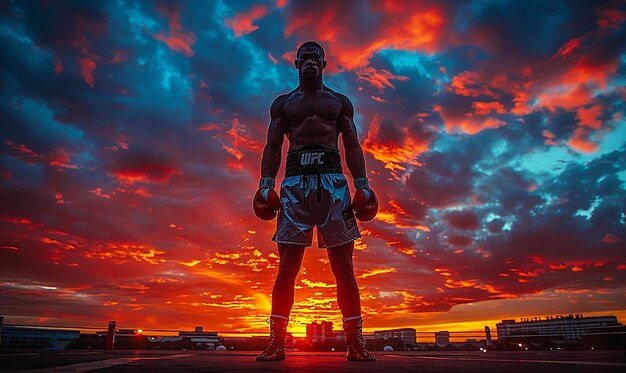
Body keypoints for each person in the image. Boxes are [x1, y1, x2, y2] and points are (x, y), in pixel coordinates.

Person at [253, 41, 378, 362]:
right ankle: (276, 344)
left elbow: (352, 147)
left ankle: (355, 344)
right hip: (294, 184)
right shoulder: (283, 105)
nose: (310, 62)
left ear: (324, 63)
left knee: (344, 267)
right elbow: (272, 148)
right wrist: (265, 184)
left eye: (315, 58)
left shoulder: (338, 102)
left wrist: (362, 184)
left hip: (334, 184)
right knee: (287, 266)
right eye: (304, 58)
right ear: (296, 64)